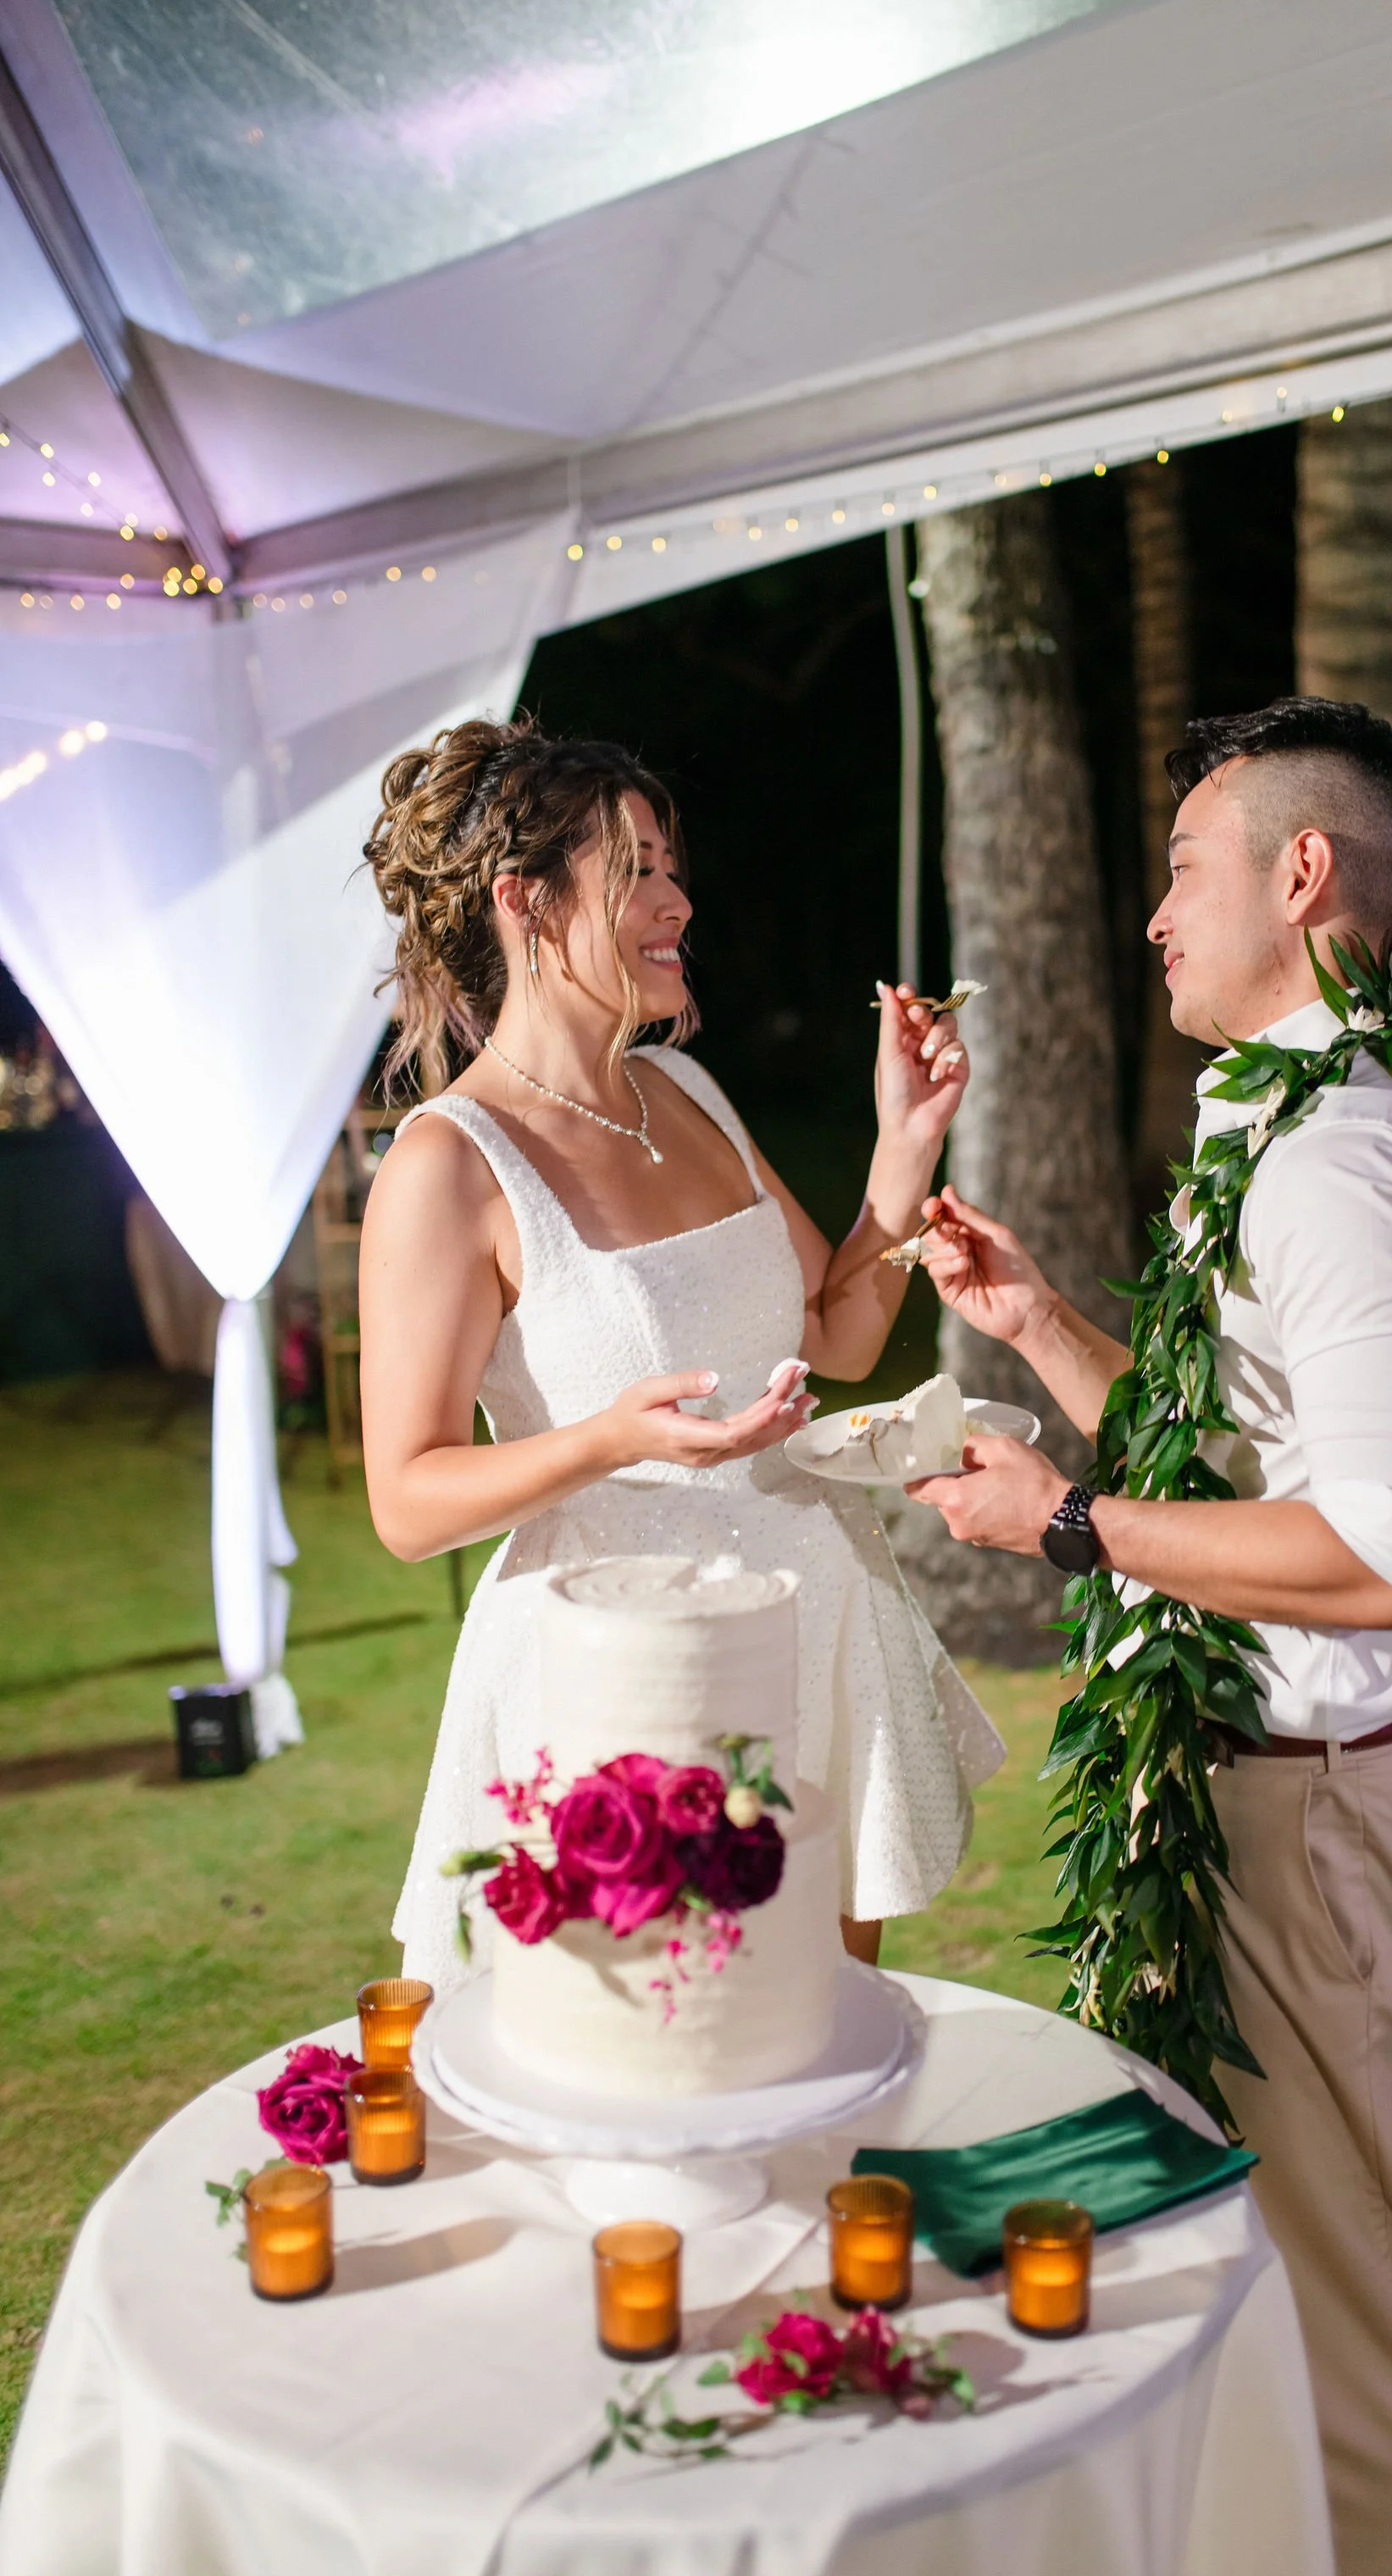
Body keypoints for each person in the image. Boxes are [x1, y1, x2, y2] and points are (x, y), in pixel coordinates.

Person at [907, 697, 1392, 2576]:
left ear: (1302, 875)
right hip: (1261, 1804)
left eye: (1183, 868)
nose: (1155, 916)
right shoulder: (1305, 1115)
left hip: (1330, 1825)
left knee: (1364, 2317)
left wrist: (1070, 1525)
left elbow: (1391, 1551)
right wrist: (1044, 1332)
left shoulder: (1340, 1159)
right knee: (1257, 2271)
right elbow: (1250, 1465)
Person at [358, 718, 1002, 1984]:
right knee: (661, 2077)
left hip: (811, 1617)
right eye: (637, 868)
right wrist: (607, 1439)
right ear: (525, 901)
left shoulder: (692, 1094)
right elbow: (405, 1502)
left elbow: (839, 1332)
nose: (678, 899)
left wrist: (903, 1148)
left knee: (825, 2056)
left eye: (669, 863)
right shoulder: (449, 1164)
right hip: (626, 1672)